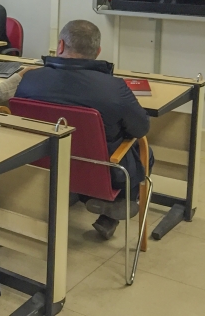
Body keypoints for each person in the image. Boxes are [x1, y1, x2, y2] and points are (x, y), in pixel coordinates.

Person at [14, 20, 153, 240]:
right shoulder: (114, 88)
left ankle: (75, 195)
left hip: (39, 166)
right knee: (142, 148)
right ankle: (117, 203)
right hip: (99, 174)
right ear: (97, 52)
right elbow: (141, 128)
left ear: (60, 46)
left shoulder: (30, 79)